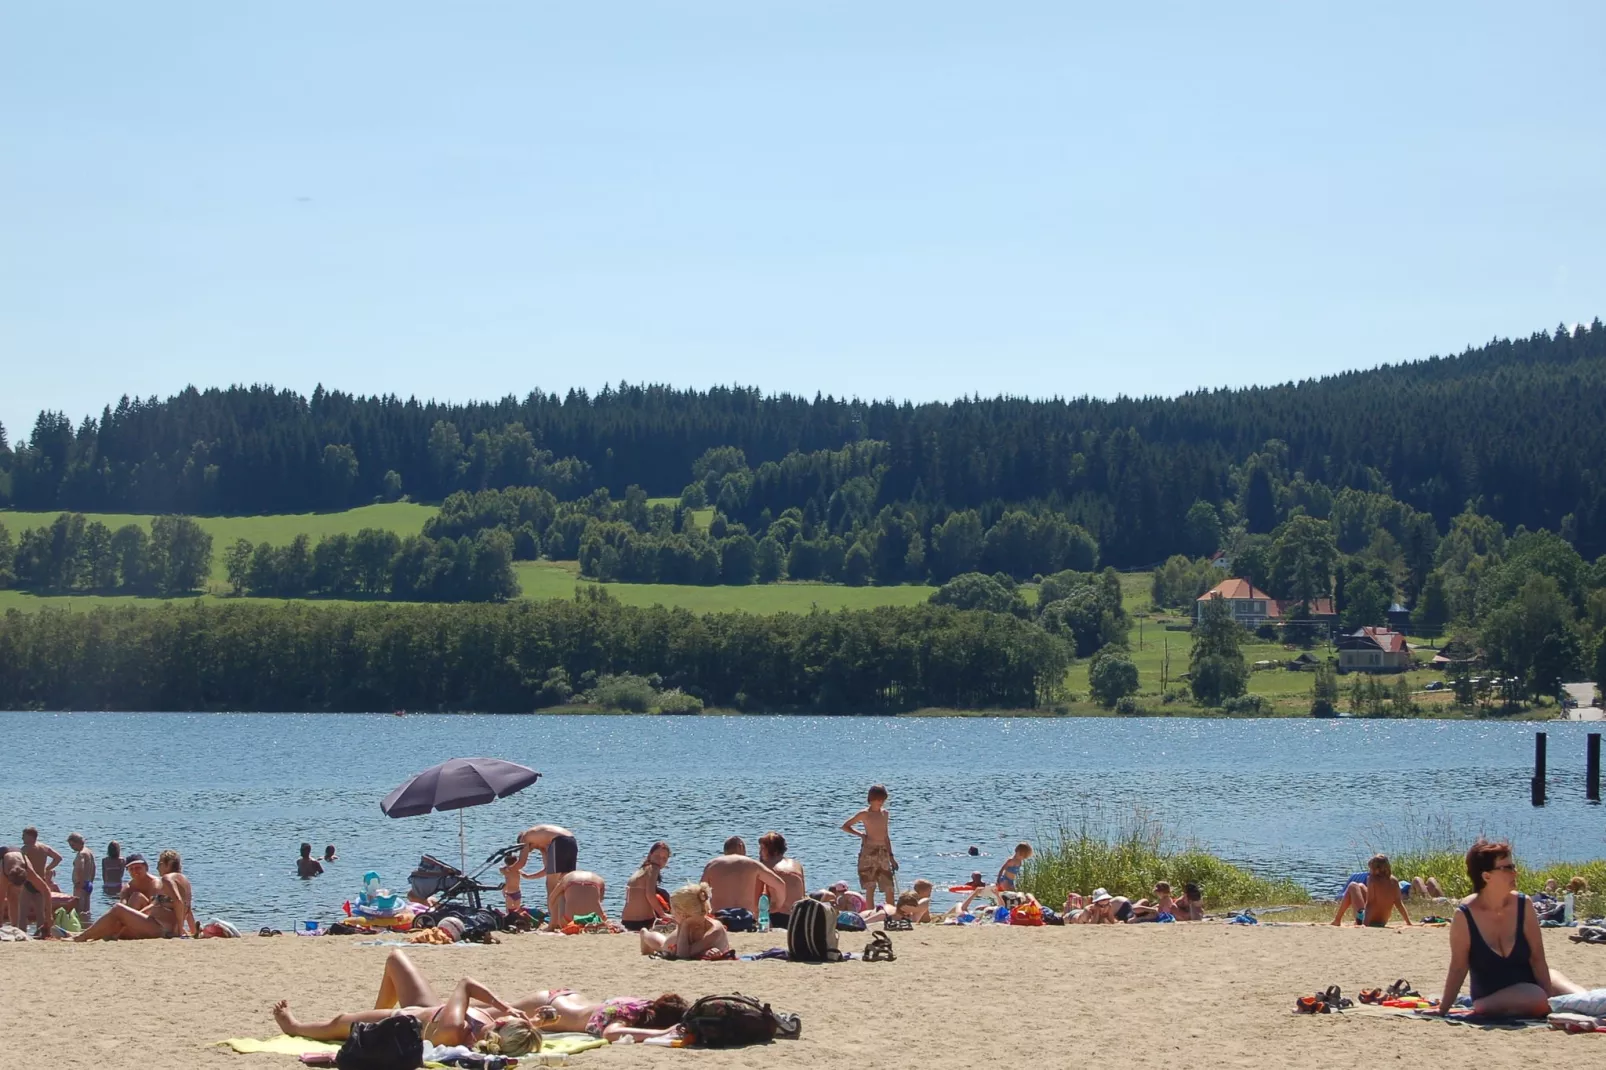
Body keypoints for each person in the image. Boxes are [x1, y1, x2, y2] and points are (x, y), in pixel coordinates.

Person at [271, 949, 541, 1054]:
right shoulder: (487, 1028)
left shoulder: (454, 1028)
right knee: (395, 959)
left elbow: (465, 983)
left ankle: (295, 1027)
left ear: (505, 1023)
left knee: (340, 1022)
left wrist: (505, 1006)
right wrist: (533, 1024)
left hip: (404, 1022)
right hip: (428, 1009)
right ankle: (375, 1015)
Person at [1433, 840, 1583, 1017]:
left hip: (1531, 984)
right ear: (1486, 876)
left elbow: (1537, 958)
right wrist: (1443, 1009)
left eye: (1513, 866)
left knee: (1586, 999)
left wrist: (1549, 998)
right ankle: (1488, 1005)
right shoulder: (1465, 915)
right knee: (1537, 998)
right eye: (1507, 868)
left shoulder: (1523, 904)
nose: (1515, 872)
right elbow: (1458, 967)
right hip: (1493, 995)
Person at [74, 849, 197, 941]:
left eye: (159, 864)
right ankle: (88, 934)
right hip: (164, 927)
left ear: (167, 864)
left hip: (160, 927)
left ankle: (82, 937)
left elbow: (178, 901)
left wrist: (180, 931)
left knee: (118, 909)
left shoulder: (166, 879)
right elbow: (187, 909)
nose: (158, 868)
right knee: (127, 906)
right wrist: (194, 932)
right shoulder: (185, 881)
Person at [638, 882, 732, 960]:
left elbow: (683, 955)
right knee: (664, 947)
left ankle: (645, 934)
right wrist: (684, 925)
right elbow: (682, 953)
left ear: (682, 913)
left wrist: (685, 925)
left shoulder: (713, 930)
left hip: (689, 942)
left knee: (665, 947)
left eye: (673, 910)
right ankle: (645, 933)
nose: (671, 913)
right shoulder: (688, 922)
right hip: (685, 936)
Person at [699, 836, 788, 917]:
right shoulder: (752, 864)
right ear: (740, 846)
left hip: (720, 917)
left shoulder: (712, 865)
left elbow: (700, 893)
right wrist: (776, 906)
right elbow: (780, 885)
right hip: (745, 918)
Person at [841, 784, 897, 910]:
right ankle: (870, 913)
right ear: (871, 799)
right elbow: (845, 826)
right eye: (878, 799)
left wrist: (891, 857)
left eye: (882, 799)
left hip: (883, 852)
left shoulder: (885, 814)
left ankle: (891, 913)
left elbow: (886, 836)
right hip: (869, 852)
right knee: (870, 886)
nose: (880, 802)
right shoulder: (864, 814)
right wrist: (861, 835)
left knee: (889, 886)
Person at [1331, 854, 1411, 928]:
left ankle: (1337, 920)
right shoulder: (1394, 881)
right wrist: (1408, 922)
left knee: (1352, 885)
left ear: (1376, 870)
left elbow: (1370, 903)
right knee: (1361, 886)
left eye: (1370, 869)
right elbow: (1399, 903)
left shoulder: (1372, 880)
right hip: (1383, 921)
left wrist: (1364, 924)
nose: (1369, 872)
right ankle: (1337, 920)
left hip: (1367, 920)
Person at [518, 824, 578, 914]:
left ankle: (552, 916)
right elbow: (548, 870)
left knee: (551, 885)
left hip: (560, 842)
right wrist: (528, 876)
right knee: (565, 883)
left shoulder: (526, 837)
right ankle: (566, 914)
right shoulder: (544, 845)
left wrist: (511, 869)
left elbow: (521, 863)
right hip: (571, 842)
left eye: (531, 848)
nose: (534, 848)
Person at [1, 844, 55, 934]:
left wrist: (49, 915)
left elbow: (46, 890)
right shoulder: (3, 874)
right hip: (3, 857)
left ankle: (15, 927)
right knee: (7, 896)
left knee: (14, 897)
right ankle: (9, 926)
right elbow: (1, 901)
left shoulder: (29, 871)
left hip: (19, 857)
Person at [757, 831, 806, 929]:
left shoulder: (764, 867)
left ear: (773, 851)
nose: (759, 852)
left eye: (762, 849)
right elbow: (803, 894)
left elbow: (757, 898)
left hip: (776, 918)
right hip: (798, 917)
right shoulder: (797, 865)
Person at [622, 841, 672, 932]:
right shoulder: (653, 869)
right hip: (642, 922)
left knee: (661, 892)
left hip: (626, 921)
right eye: (657, 856)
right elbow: (650, 894)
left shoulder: (641, 870)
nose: (660, 861)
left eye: (664, 859)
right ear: (650, 855)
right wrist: (663, 915)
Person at [21, 827, 62, 891]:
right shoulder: (44, 847)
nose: (22, 838)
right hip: (41, 880)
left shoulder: (26, 848)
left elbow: (18, 863)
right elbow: (58, 858)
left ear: (30, 837)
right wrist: (47, 868)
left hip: (29, 880)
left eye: (24, 836)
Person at [67, 833, 95, 921]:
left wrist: (80, 882)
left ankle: (81, 926)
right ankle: (86, 925)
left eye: (73, 845)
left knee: (79, 910)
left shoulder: (81, 854)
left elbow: (80, 868)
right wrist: (91, 881)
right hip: (88, 883)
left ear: (79, 842)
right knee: (87, 910)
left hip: (81, 884)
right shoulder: (89, 852)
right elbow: (94, 867)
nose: (72, 847)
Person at [497, 849, 527, 915]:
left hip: (511, 893)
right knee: (513, 911)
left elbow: (500, 868)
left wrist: (506, 866)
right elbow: (525, 875)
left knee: (512, 911)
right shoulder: (517, 871)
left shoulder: (506, 871)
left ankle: (512, 920)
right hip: (514, 893)